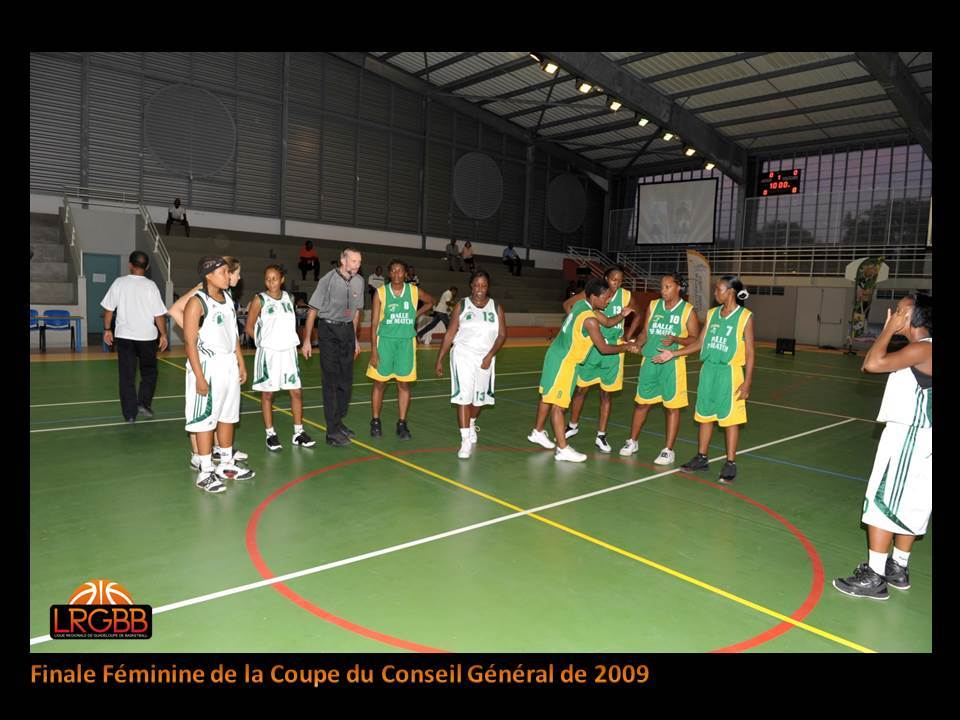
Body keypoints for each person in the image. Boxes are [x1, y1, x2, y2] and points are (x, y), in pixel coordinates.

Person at [833, 294, 932, 600]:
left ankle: (875, 577)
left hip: (909, 440)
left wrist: (887, 329)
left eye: (901, 311)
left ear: (915, 317)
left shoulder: (922, 348)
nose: (894, 314)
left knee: (881, 504)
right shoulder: (923, 349)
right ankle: (898, 567)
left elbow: (872, 364)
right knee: (909, 504)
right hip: (920, 439)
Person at [652, 275, 754, 483]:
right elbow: (699, 343)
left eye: (718, 290)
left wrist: (747, 382)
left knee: (730, 420)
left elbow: (750, 352)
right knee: (704, 416)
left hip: (730, 373)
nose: (715, 293)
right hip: (708, 371)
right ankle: (702, 458)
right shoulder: (712, 314)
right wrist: (673, 354)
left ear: (731, 292)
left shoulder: (745, 317)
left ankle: (730, 463)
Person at [528, 277, 638, 462]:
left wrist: (621, 315)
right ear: (594, 297)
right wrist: (626, 346)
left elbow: (608, 322)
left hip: (555, 355)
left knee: (548, 396)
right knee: (559, 406)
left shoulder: (581, 306)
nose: (608, 300)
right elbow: (603, 348)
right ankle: (563, 449)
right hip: (565, 362)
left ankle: (537, 431)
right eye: (605, 297)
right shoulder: (590, 320)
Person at [168, 257, 250, 470]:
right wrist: (197, 334)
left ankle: (224, 459)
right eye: (225, 272)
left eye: (229, 272)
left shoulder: (226, 297)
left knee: (225, 415)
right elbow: (187, 336)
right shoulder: (199, 299)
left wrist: (240, 362)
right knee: (204, 418)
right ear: (210, 276)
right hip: (208, 364)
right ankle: (202, 463)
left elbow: (232, 334)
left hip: (227, 364)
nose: (231, 276)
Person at [619, 273, 700, 464]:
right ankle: (632, 441)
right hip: (649, 362)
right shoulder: (654, 305)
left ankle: (668, 450)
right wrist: (638, 344)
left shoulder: (687, 311)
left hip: (672, 364)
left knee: (671, 407)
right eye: (662, 287)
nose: (663, 291)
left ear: (678, 287)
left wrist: (676, 339)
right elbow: (645, 332)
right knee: (642, 403)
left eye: (667, 287)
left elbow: (695, 339)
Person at [562, 267, 643, 453]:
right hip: (592, 347)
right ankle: (572, 425)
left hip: (614, 349)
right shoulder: (594, 293)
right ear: (606, 278)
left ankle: (601, 435)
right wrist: (578, 328)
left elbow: (638, 314)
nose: (617, 283)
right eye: (614, 279)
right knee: (581, 389)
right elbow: (568, 306)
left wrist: (628, 335)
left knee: (606, 394)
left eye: (620, 280)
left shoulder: (625, 296)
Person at [435, 270, 507, 459]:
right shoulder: (462, 305)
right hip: (463, 355)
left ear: (488, 287)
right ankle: (465, 440)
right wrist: (440, 358)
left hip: (485, 357)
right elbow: (450, 334)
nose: (479, 289)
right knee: (464, 397)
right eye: (476, 285)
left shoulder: (496, 307)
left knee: (479, 399)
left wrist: (490, 355)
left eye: (483, 285)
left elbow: (502, 335)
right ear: (471, 286)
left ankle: (472, 422)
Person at [245, 265, 316, 452]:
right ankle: (270, 434)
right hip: (269, 353)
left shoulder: (289, 298)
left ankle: (298, 433)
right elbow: (249, 327)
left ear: (282, 279)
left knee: (296, 392)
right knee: (268, 394)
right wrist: (263, 343)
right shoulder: (259, 299)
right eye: (267, 279)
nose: (271, 282)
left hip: (288, 352)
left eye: (274, 278)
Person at [301, 248, 365, 447]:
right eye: (353, 261)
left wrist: (355, 339)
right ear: (343, 260)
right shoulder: (327, 280)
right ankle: (332, 432)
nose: (357, 265)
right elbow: (313, 310)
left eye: (359, 262)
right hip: (328, 330)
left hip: (347, 332)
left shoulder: (359, 281)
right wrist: (307, 340)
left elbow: (356, 312)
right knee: (331, 381)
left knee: (345, 382)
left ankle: (338, 422)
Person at [366, 260, 435, 439]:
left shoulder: (413, 291)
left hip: (406, 343)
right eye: (394, 270)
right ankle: (375, 421)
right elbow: (374, 324)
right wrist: (373, 351)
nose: (397, 273)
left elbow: (431, 302)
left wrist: (415, 314)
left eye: (400, 271)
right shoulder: (381, 292)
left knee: (403, 384)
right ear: (389, 274)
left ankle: (402, 423)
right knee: (379, 383)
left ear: (405, 274)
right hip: (385, 343)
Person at [100, 251, 169, 423]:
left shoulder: (119, 283)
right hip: (147, 338)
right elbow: (159, 314)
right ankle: (143, 404)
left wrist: (107, 329)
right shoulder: (151, 286)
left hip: (124, 337)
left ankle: (130, 414)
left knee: (127, 376)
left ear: (130, 265)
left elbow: (108, 309)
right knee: (149, 372)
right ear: (147, 267)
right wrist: (163, 334)